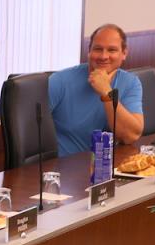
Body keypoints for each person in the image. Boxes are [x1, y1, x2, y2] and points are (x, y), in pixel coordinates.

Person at [49, 24, 144, 156]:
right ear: (89, 51)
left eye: (112, 50)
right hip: (67, 165)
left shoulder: (131, 83)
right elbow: (30, 132)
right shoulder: (59, 81)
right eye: (98, 49)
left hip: (107, 164)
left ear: (124, 53)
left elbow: (130, 136)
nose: (104, 56)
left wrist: (106, 92)